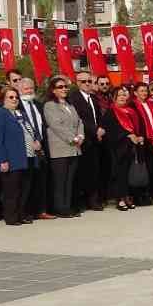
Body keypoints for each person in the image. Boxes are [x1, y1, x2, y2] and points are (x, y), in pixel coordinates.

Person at [0, 87, 36, 225]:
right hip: (11, 158)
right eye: (11, 97)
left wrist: (35, 140)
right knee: (11, 190)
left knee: (24, 189)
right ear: (3, 99)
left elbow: (29, 130)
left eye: (16, 97)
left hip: (27, 156)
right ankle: (11, 217)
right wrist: (2, 160)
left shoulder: (21, 113)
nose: (14, 99)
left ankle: (21, 214)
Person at [43, 76, 85, 218]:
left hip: (74, 148)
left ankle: (67, 206)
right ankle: (59, 207)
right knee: (60, 180)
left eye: (65, 86)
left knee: (70, 180)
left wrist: (80, 136)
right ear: (53, 90)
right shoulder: (49, 106)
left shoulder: (70, 105)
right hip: (60, 148)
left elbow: (79, 122)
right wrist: (72, 138)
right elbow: (56, 125)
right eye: (60, 87)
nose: (64, 89)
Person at [103, 84, 145, 211]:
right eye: (119, 95)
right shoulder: (111, 111)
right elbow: (110, 130)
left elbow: (139, 126)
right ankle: (120, 198)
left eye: (124, 95)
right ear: (114, 97)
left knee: (129, 173)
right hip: (118, 148)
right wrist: (126, 135)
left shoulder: (131, 111)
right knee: (119, 174)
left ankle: (127, 196)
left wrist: (140, 136)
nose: (122, 97)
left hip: (132, 148)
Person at [68, 72, 105, 211]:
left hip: (96, 140)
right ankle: (81, 201)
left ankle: (93, 200)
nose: (87, 84)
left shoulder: (93, 98)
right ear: (77, 83)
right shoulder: (73, 98)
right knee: (82, 172)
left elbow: (98, 116)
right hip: (83, 139)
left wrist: (100, 129)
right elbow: (79, 119)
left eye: (89, 81)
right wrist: (95, 129)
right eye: (83, 81)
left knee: (94, 171)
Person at [16, 78, 52, 220]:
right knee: (26, 182)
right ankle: (24, 212)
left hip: (41, 147)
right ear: (19, 90)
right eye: (26, 89)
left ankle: (41, 210)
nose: (30, 91)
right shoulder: (17, 105)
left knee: (41, 180)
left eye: (31, 88)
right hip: (26, 147)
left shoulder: (38, 104)